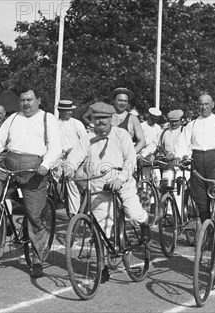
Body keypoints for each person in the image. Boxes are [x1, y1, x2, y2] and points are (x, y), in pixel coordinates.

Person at [63, 102, 150, 283]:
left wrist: (120, 178)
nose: (100, 122)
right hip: (98, 188)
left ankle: (144, 223)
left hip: (122, 184)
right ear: (92, 119)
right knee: (100, 231)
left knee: (133, 214)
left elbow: (130, 160)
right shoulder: (87, 138)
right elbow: (74, 157)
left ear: (111, 119)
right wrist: (69, 169)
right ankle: (102, 268)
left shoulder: (122, 135)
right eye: (97, 118)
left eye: (104, 118)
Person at [0, 88, 61, 278]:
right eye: (23, 100)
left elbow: (56, 146)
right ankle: (4, 222)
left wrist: (46, 165)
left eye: (29, 100)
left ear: (38, 100)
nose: (26, 103)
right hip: (10, 164)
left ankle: (38, 259)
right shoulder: (14, 118)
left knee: (34, 215)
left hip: (34, 170)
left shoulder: (48, 119)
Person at [180, 94, 215, 223]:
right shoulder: (192, 124)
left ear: (212, 104)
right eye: (201, 104)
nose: (204, 107)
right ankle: (205, 232)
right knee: (201, 201)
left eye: (207, 104)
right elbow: (182, 144)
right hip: (197, 165)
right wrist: (179, 156)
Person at [56, 100, 86, 216]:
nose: (69, 113)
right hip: (59, 158)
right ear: (60, 111)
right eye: (66, 110)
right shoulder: (55, 124)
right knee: (56, 181)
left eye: (70, 110)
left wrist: (73, 150)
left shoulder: (77, 124)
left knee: (72, 182)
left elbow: (85, 141)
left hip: (75, 159)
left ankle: (74, 213)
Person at [110, 87, 146, 153]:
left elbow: (142, 141)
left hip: (125, 156)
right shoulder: (107, 116)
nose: (122, 103)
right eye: (120, 100)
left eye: (125, 101)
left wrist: (131, 155)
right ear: (114, 101)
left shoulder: (132, 118)